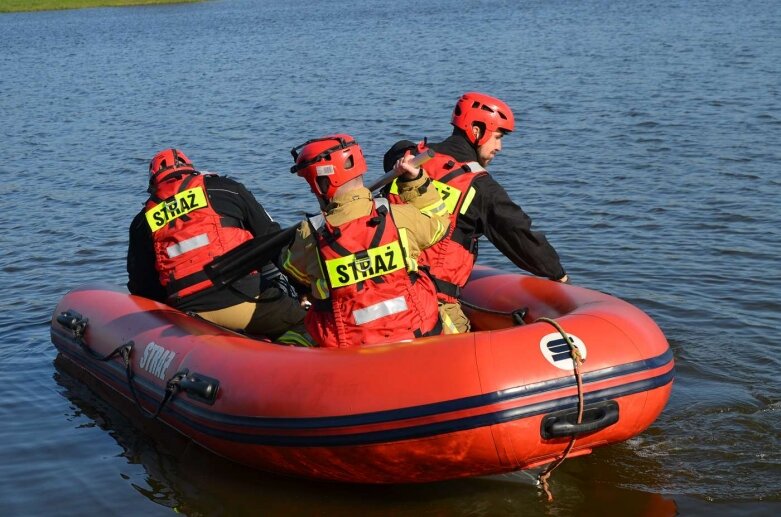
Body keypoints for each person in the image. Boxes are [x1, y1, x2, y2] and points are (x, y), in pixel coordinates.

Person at [382, 92, 568, 334]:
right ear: (477, 131)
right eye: (498, 137)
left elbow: (391, 158)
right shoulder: (480, 188)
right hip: (431, 301)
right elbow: (519, 235)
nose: (499, 147)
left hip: (384, 286)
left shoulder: (408, 158)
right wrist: (558, 273)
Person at [127, 148, 312, 346]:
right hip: (241, 297)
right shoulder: (226, 188)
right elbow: (274, 240)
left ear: (155, 185)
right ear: (192, 172)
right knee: (309, 323)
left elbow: (143, 288)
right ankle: (285, 356)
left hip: (186, 311)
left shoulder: (141, 222)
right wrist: (302, 290)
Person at [281, 134, 451, 348]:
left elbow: (295, 270)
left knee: (294, 335)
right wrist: (414, 180)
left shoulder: (310, 234)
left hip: (351, 346)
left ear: (323, 183)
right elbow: (439, 222)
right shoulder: (398, 217)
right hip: (417, 334)